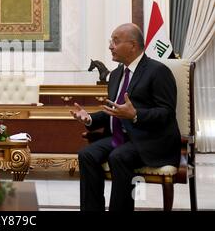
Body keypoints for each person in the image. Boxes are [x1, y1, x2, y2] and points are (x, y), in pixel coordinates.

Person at [70, 23, 181, 211]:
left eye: (115, 41)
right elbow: (114, 111)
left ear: (132, 45)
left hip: (149, 140)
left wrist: (136, 114)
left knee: (119, 157)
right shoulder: (115, 75)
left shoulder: (158, 71)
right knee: (86, 154)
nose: (110, 46)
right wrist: (89, 119)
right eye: (110, 41)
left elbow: (166, 112)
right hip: (119, 138)